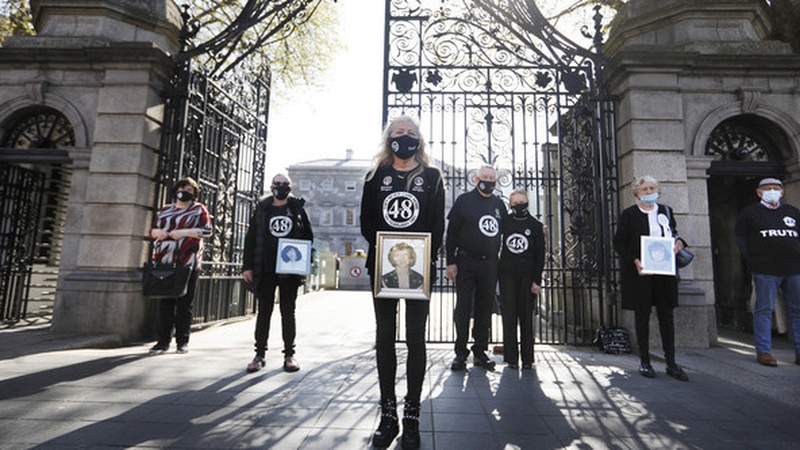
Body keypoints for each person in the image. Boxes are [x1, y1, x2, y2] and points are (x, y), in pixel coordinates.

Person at [360, 114, 445, 449]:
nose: (404, 137)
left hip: (419, 269)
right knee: (384, 337)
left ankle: (412, 415)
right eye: (398, 132)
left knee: (415, 338)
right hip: (383, 266)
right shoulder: (375, 175)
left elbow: (437, 225)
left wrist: (421, 253)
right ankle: (388, 414)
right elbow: (366, 221)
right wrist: (389, 248)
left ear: (419, 140)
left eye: (410, 133)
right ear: (389, 139)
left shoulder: (433, 176)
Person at [613, 175, 689, 381]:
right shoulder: (629, 214)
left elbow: (674, 233)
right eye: (644, 189)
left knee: (666, 316)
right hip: (641, 273)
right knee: (642, 315)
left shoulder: (665, 211)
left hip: (664, 272)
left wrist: (679, 242)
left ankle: (671, 363)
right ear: (637, 193)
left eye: (652, 188)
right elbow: (619, 243)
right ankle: (645, 361)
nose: (649, 192)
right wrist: (635, 260)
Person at [242, 173, 313, 373]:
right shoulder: (263, 208)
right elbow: (251, 237)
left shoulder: (297, 209)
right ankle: (259, 355)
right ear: (271, 186)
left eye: (285, 184)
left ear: (290, 188)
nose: (280, 187)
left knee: (288, 311)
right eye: (277, 183)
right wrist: (247, 266)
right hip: (264, 268)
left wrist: (303, 265)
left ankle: (290, 354)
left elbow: (308, 236)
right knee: (264, 311)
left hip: (289, 270)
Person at [445, 164, 505, 372]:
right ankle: (460, 354)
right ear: (476, 179)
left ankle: (480, 351)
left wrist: (536, 228)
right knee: (462, 308)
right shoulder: (464, 201)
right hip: (465, 262)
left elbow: (509, 228)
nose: (488, 181)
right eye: (484, 177)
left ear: (496, 182)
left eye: (491, 178)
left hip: (490, 263)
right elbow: (451, 233)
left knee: (484, 308)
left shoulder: (499, 204)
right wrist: (450, 262)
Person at [734, 177, 800, 367]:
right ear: (759, 192)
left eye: (776, 188)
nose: (772, 191)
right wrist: (755, 260)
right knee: (763, 310)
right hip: (765, 269)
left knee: (797, 311)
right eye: (768, 188)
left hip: (794, 269)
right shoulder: (750, 213)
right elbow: (741, 240)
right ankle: (764, 351)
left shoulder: (792, 212)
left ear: (782, 191)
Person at [148, 177, 213, 354]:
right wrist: (158, 232)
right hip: (165, 261)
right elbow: (152, 229)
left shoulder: (199, 209)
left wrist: (183, 232)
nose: (185, 192)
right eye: (183, 188)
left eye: (190, 191)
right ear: (176, 189)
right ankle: (162, 341)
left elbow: (207, 230)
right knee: (166, 301)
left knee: (185, 303)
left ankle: (182, 341)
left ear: (194, 195)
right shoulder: (166, 209)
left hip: (188, 261)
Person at [499, 189, 545, 370]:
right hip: (507, 276)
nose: (519, 205)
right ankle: (511, 358)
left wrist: (537, 281)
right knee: (509, 317)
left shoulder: (536, 225)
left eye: (522, 201)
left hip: (527, 277)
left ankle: (527, 359)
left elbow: (540, 255)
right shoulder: (505, 222)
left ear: (528, 202)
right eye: (515, 202)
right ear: (510, 204)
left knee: (526, 318)